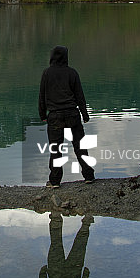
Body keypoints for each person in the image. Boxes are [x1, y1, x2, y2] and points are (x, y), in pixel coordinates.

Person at [38, 45, 95, 186]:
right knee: (80, 146)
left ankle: (55, 180)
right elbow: (79, 95)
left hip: (54, 116)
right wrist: (85, 114)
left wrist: (42, 114)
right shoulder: (72, 73)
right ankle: (88, 176)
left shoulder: (47, 73)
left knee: (56, 149)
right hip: (72, 114)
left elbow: (42, 96)